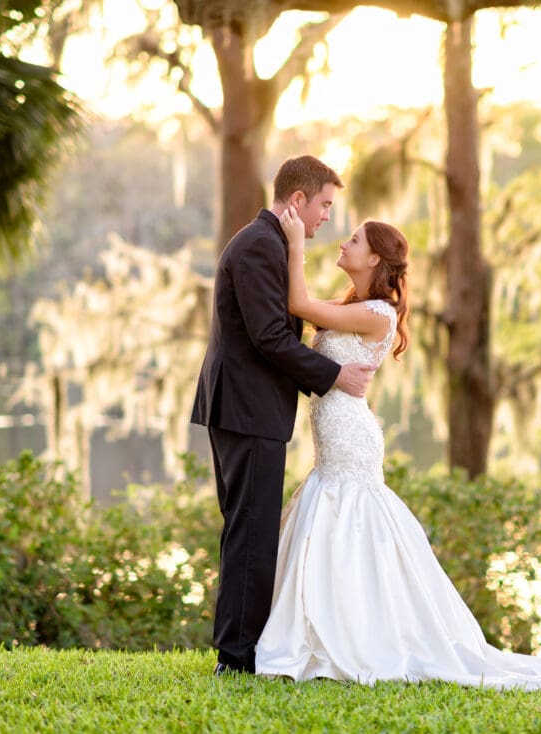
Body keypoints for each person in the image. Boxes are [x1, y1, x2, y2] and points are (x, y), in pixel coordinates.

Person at [252, 208, 541, 690]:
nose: (343, 244)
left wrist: (294, 243)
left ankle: (356, 636)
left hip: (351, 436)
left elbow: (298, 302)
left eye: (353, 240)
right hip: (335, 433)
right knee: (330, 519)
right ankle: (328, 629)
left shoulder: (378, 313)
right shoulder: (355, 304)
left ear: (374, 257)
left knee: (350, 518)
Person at [190, 155, 376, 676]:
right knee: (251, 533)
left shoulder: (272, 244)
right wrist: (333, 376)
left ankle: (241, 650)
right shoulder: (257, 246)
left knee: (249, 530)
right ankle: (237, 657)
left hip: (250, 408)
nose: (325, 219)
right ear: (298, 199)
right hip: (246, 409)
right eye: (323, 205)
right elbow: (269, 336)